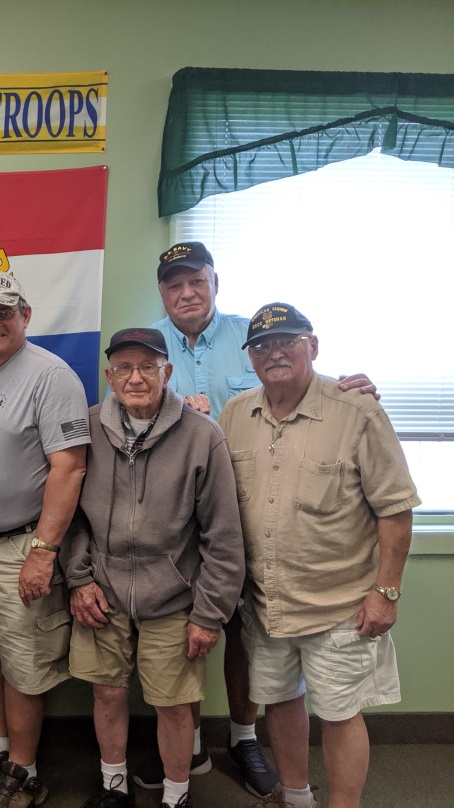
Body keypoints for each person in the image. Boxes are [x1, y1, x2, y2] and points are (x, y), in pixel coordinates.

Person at [141, 242, 378, 798]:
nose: (186, 293)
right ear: (163, 293)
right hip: (180, 530)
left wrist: (357, 387)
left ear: (215, 282)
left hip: (254, 528)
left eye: (196, 280)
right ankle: (190, 740)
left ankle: (244, 737)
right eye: (174, 285)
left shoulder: (256, 337)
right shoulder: (147, 346)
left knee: (248, 640)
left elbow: (306, 391)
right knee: (186, 635)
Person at [219, 303, 418, 808]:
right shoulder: (236, 414)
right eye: (261, 345)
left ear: (313, 344)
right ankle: (296, 795)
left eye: (287, 340)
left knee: (340, 711)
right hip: (266, 605)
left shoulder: (358, 411)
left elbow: (394, 510)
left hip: (340, 606)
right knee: (282, 701)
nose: (274, 352)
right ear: (251, 358)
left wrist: (386, 592)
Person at [59, 328, 245, 808]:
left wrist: (209, 614)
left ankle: (176, 795)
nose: (135, 377)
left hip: (174, 597)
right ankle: (113, 786)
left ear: (167, 371)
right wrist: (78, 579)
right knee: (107, 695)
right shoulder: (89, 427)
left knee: (175, 705)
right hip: (102, 591)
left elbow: (223, 537)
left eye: (148, 366)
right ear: (109, 375)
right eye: (124, 367)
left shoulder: (203, 437)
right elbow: (69, 516)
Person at [0, 273, 90, 808]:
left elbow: (69, 468)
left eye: (5, 312)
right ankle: (0, 747)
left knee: (24, 660)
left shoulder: (52, 376)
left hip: (20, 546)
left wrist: (43, 552)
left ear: (25, 316)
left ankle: (26, 769)